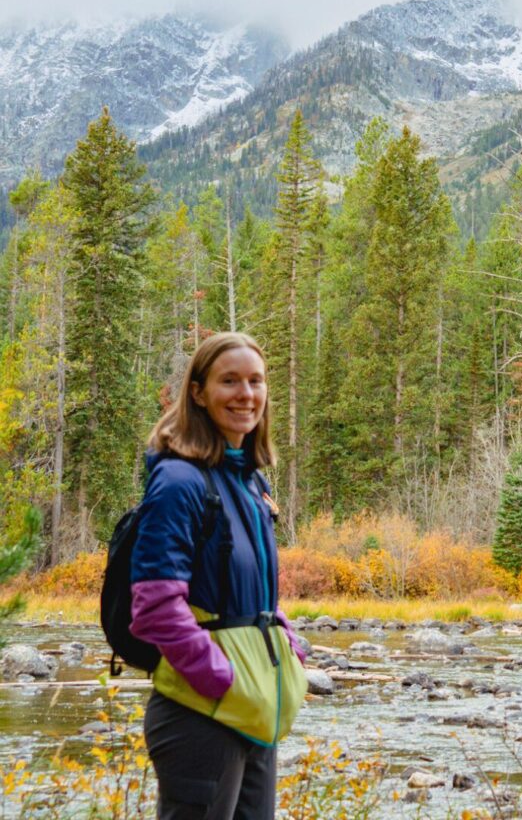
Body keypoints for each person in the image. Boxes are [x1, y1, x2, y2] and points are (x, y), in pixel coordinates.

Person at [129, 332, 308, 820]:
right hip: (202, 716)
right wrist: (220, 679)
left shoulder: (249, 480)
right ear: (198, 391)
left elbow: (244, 589)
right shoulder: (179, 481)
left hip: (252, 712)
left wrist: (286, 639)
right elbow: (154, 607)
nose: (245, 394)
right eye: (229, 380)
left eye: (255, 381)